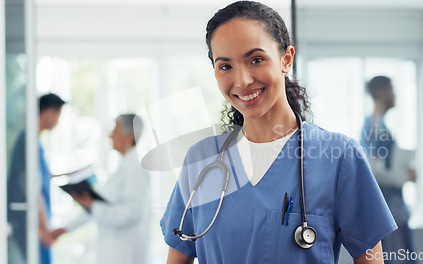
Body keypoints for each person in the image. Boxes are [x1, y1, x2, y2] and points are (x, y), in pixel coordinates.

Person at [160, 2, 397, 264]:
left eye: (256, 60)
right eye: (225, 66)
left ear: (286, 59)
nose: (242, 81)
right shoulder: (202, 160)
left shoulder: (339, 157)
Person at [51, 114, 152, 264]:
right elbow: (99, 207)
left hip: (126, 252)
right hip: (114, 251)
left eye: (115, 131)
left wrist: (93, 205)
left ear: (129, 137)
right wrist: (64, 229)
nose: (110, 136)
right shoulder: (123, 168)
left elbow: (132, 213)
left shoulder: (135, 170)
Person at [360, 76, 416, 264]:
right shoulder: (375, 126)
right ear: (381, 93)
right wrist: (402, 177)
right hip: (389, 206)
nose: (395, 95)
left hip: (392, 206)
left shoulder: (378, 125)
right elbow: (373, 170)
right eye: (392, 90)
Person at [7, 93, 66, 264]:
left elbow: (40, 178)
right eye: (58, 115)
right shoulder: (28, 142)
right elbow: (31, 187)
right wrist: (44, 228)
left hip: (34, 222)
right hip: (29, 223)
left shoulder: (34, 142)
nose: (57, 121)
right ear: (48, 113)